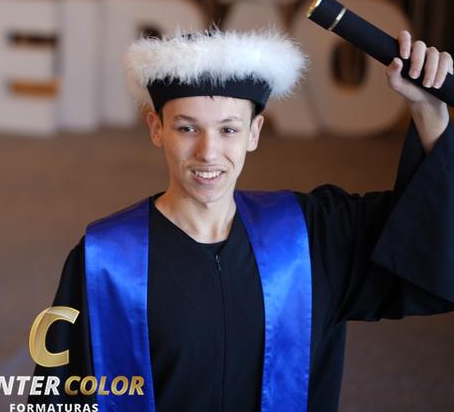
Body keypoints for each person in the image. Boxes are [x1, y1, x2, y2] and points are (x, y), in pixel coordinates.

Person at [29, 28, 454, 412]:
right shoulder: (104, 261)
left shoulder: (311, 237)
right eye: (187, 129)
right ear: (156, 128)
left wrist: (428, 112)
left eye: (229, 129)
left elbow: (425, 248)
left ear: (254, 132)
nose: (208, 152)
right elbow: (57, 398)